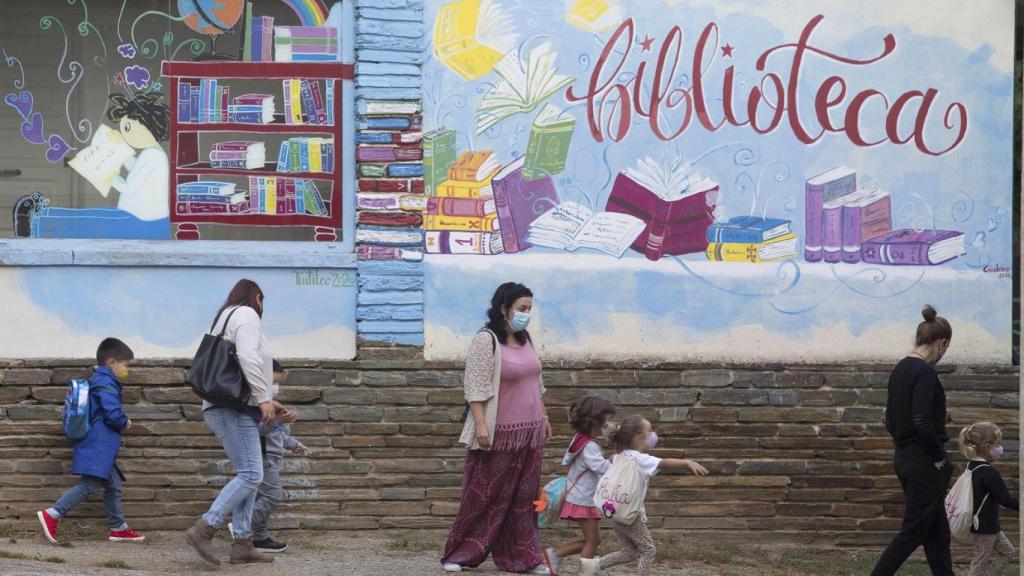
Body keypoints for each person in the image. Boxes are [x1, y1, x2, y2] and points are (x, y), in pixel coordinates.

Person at [442, 282, 553, 574]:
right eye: (521, 309)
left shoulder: (525, 338)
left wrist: (544, 417)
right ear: (504, 309)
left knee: (523, 499)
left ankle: (523, 558)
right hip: (498, 432)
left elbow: (535, 382)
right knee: (484, 494)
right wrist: (480, 426)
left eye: (529, 309)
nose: (526, 314)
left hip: (529, 432)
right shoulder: (486, 340)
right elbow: (475, 387)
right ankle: (461, 553)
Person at [185, 279, 277, 566]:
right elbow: (249, 356)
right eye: (264, 302)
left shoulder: (225, 315)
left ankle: (242, 543)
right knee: (251, 475)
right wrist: (263, 398)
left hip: (228, 407)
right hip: (230, 409)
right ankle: (205, 529)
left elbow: (239, 364)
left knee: (249, 477)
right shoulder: (247, 314)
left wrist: (268, 400)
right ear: (258, 297)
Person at [13, 92, 170, 239]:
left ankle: (37, 224)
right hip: (140, 219)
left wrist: (107, 173)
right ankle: (41, 217)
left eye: (127, 128)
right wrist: (118, 151)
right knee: (95, 216)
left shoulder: (154, 155)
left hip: (141, 222)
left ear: (144, 125)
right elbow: (136, 169)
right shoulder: (154, 153)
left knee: (92, 221)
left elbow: (129, 188)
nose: (125, 135)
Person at [870, 305, 955, 576]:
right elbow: (921, 420)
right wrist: (937, 456)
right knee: (913, 531)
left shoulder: (900, 369)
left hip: (905, 458)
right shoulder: (925, 372)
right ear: (941, 342)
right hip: (925, 463)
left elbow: (890, 420)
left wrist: (904, 447)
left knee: (936, 530)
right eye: (946, 347)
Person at [37, 338, 145, 544]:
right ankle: (53, 513)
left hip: (101, 444)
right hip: (99, 443)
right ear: (112, 362)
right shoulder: (106, 382)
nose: (126, 369)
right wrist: (125, 422)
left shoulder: (100, 379)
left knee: (113, 486)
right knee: (90, 483)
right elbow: (112, 414)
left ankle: (118, 528)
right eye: (125, 364)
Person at [234, 360, 310, 554]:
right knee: (272, 497)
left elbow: (280, 434)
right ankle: (242, 526)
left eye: (278, 383)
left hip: (272, 458)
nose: (275, 388)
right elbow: (258, 432)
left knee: (259, 497)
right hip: (263, 458)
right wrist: (277, 420)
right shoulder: (255, 405)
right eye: (272, 383)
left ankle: (259, 538)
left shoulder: (272, 405)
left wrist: (294, 444)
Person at [544, 396, 617, 576]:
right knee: (592, 541)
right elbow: (601, 467)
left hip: (581, 497)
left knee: (594, 540)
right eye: (605, 421)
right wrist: (616, 460)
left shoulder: (580, 439)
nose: (608, 425)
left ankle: (554, 555)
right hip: (582, 499)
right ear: (595, 421)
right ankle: (582, 572)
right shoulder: (589, 446)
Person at [958, 422, 1018, 576]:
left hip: (987, 524)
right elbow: (1005, 499)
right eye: (997, 444)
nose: (1000, 448)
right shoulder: (989, 473)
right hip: (984, 526)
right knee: (980, 560)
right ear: (987, 446)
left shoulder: (972, 466)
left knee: (1008, 552)